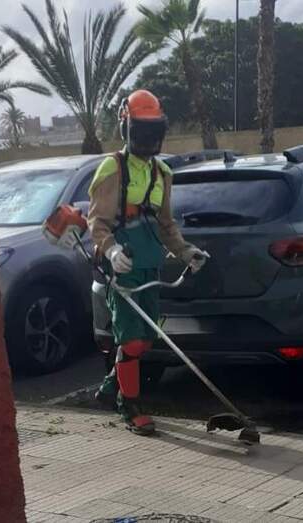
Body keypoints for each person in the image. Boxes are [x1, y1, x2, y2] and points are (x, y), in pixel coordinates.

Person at [87, 90, 207, 436]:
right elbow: (97, 221)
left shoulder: (163, 172)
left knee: (148, 336)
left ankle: (111, 385)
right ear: (127, 128)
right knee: (131, 340)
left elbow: (166, 225)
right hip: (122, 267)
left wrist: (186, 251)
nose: (148, 138)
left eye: (154, 130)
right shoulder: (113, 168)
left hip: (150, 265)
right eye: (142, 130)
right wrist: (111, 250)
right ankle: (130, 406)